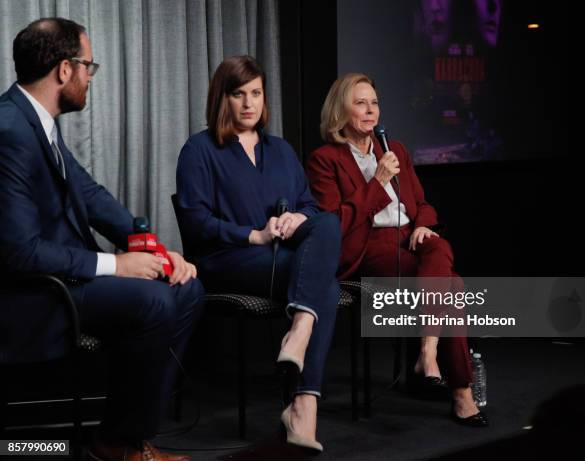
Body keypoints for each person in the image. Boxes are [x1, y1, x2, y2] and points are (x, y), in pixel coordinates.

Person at [0, 18, 204, 460]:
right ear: (64, 70)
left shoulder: (37, 121)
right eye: (88, 67)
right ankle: (120, 446)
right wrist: (118, 264)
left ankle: (126, 437)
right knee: (153, 301)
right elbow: (19, 252)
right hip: (31, 293)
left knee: (185, 287)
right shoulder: (10, 129)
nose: (90, 77)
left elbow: (90, 196)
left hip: (63, 279)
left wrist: (152, 247)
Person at [175, 55, 341, 452]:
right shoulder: (198, 150)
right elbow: (196, 221)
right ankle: (303, 404)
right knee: (326, 288)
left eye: (256, 93)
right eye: (238, 94)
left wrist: (296, 219)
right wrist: (254, 235)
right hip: (225, 259)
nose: (249, 103)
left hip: (282, 258)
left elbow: (311, 206)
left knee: (329, 223)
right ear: (222, 98)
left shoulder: (281, 150)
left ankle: (300, 346)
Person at [306, 73, 488, 427]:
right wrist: (378, 183)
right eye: (360, 103)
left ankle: (428, 352)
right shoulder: (325, 159)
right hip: (365, 246)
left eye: (374, 102)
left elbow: (421, 203)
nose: (370, 110)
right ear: (340, 110)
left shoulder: (394, 149)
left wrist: (422, 224)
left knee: (439, 245)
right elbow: (334, 223)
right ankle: (459, 390)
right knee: (453, 285)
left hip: (408, 237)